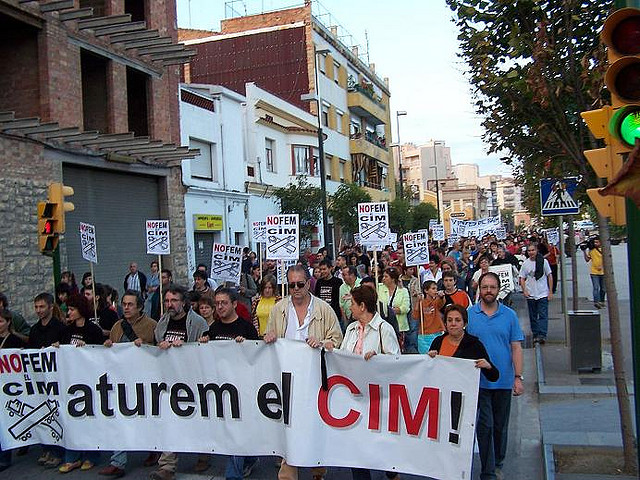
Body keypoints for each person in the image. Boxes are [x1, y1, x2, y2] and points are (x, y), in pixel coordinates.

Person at [263, 265, 343, 480]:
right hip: (286, 382)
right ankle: (287, 473)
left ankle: (317, 471)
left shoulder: (324, 309)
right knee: (288, 432)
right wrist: (269, 336)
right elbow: (269, 339)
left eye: (300, 284)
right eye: (291, 285)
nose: (296, 289)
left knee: (313, 430)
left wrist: (323, 342)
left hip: (314, 381)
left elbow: (338, 341)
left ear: (309, 283)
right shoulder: (279, 309)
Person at [338, 286, 400, 480]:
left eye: (353, 304)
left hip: (377, 400)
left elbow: (397, 364)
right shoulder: (350, 329)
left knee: (380, 447)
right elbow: (342, 357)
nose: (350, 307)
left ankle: (392, 473)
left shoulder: (384, 329)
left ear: (362, 306)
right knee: (357, 451)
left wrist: (378, 359)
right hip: (354, 398)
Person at [467, 272, 524, 480]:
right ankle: (488, 469)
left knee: (500, 426)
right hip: (478, 382)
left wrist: (518, 377)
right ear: (478, 289)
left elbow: (516, 347)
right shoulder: (470, 314)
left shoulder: (509, 316)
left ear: (498, 289)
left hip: (503, 381)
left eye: (492, 287)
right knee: (485, 426)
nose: (488, 291)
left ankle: (498, 460)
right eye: (484, 287)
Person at [197, 288, 260, 475]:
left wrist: (246, 346)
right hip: (220, 387)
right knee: (232, 430)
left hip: (242, 387)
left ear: (234, 304)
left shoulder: (247, 328)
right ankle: (249, 458)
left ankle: (233, 474)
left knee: (236, 430)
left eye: (224, 303)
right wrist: (204, 344)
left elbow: (257, 358)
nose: (220, 307)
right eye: (217, 303)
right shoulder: (214, 329)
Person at [151, 287, 209, 480]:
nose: (170, 304)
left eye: (174, 300)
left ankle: (204, 453)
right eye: (167, 300)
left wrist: (187, 348)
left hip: (193, 379)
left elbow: (205, 347)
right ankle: (167, 466)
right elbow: (155, 345)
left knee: (198, 419)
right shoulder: (162, 322)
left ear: (183, 302)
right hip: (169, 380)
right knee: (170, 421)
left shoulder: (197, 322)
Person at [100, 291, 158, 478]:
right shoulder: (118, 326)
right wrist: (109, 345)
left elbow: (159, 352)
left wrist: (147, 346)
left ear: (140, 307)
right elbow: (113, 350)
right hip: (121, 380)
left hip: (144, 380)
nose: (126, 307)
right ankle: (118, 461)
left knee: (146, 418)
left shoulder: (151, 326)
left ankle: (153, 449)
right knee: (119, 419)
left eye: (130, 304)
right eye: (124, 304)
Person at [55, 294, 102, 473]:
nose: (69, 313)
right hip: (71, 381)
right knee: (72, 419)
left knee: (89, 418)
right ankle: (72, 457)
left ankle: (91, 455)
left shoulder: (93, 330)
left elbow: (101, 354)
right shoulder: (67, 331)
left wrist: (88, 347)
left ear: (81, 310)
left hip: (89, 381)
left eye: (72, 310)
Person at [29, 293, 66, 469]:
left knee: (56, 413)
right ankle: (46, 447)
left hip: (56, 379)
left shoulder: (59, 327)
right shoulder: (34, 329)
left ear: (51, 307)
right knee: (41, 413)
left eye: (42, 307)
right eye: (36, 307)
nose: (38, 310)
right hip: (40, 380)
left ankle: (58, 451)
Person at [428, 304, 499, 382]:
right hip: (441, 390)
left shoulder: (475, 345)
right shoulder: (438, 341)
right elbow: (428, 371)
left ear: (465, 324)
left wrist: (488, 366)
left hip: (464, 392)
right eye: (449, 320)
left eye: (458, 320)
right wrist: (429, 358)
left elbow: (494, 377)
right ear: (445, 323)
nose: (453, 324)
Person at [0, 308, 25, 472]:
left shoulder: (16, 340)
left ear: (8, 322)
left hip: (10, 386)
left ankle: (5, 457)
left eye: (1, 321)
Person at [519, 243, 553, 344]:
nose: (531, 252)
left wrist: (550, 291)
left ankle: (542, 334)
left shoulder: (544, 262)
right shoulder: (525, 264)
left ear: (536, 250)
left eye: (533, 250)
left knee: (543, 315)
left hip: (542, 293)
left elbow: (549, 276)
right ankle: (536, 333)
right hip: (531, 294)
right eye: (529, 251)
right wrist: (524, 290)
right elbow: (522, 278)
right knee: (533, 315)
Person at [377, 267, 410, 346]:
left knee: (398, 347)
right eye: (383, 276)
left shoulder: (403, 291)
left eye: (386, 276)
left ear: (392, 279)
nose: (383, 278)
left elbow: (406, 308)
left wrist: (389, 311)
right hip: (382, 325)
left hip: (399, 326)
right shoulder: (379, 287)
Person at [412, 280, 445, 354]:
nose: (435, 291)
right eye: (433, 289)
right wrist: (417, 301)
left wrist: (442, 296)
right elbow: (415, 316)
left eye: (436, 289)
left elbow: (441, 303)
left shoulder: (436, 301)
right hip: (424, 335)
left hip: (437, 333)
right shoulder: (421, 302)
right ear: (426, 290)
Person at [314, 258, 344, 327]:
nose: (322, 271)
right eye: (321, 269)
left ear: (330, 268)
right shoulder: (319, 282)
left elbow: (340, 299)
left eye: (324, 269)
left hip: (335, 315)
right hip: (322, 315)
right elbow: (316, 297)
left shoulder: (338, 282)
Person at [583, 236, 605, 308]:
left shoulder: (604, 249)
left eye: (597, 242)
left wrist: (601, 266)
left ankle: (602, 301)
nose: (596, 243)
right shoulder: (591, 250)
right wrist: (584, 252)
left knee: (603, 288)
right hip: (594, 272)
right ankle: (596, 302)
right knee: (596, 287)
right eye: (595, 242)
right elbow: (587, 260)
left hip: (603, 272)